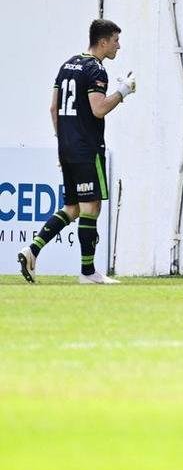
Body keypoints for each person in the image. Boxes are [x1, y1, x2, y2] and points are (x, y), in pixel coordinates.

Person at [18, 20, 135, 284]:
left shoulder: (67, 65)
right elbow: (99, 109)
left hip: (67, 147)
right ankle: (88, 272)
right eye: (116, 40)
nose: (118, 46)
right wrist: (124, 91)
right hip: (87, 148)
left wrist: (63, 142)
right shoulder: (96, 69)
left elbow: (53, 108)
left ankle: (32, 250)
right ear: (103, 42)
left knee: (72, 208)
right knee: (91, 206)